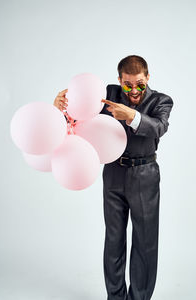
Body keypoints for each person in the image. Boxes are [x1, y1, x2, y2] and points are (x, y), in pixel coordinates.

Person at [53, 55, 174, 300]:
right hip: (113, 172)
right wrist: (62, 108)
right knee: (114, 238)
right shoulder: (107, 94)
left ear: (148, 78)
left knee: (145, 242)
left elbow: (159, 127)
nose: (133, 90)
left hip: (145, 174)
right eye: (127, 84)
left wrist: (130, 115)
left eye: (139, 83)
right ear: (119, 80)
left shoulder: (161, 100)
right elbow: (78, 120)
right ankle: (115, 297)